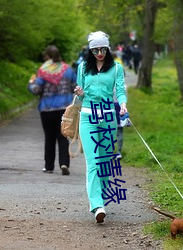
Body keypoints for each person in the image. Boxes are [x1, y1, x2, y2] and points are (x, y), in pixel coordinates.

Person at [74, 31, 127, 223]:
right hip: (88, 117)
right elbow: (80, 96)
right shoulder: (82, 68)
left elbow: (120, 90)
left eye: (102, 49)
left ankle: (102, 199)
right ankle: (97, 205)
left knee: (105, 163)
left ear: (108, 48)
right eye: (95, 50)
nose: (99, 53)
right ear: (90, 50)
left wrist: (122, 104)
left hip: (107, 116)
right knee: (93, 162)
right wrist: (79, 92)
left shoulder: (116, 68)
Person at [28, 45, 77, 175]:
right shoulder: (68, 70)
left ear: (47, 57)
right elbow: (75, 87)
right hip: (64, 109)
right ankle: (64, 163)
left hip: (47, 109)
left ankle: (49, 166)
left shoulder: (43, 71)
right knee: (63, 137)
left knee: (49, 138)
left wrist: (31, 83)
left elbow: (36, 90)